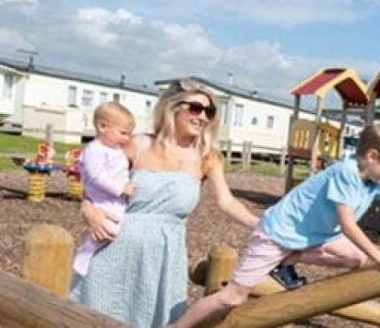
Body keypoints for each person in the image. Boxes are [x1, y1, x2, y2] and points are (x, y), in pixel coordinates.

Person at [171, 124, 380, 328]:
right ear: (373, 156)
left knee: (356, 258)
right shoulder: (346, 173)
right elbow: (348, 224)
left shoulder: (377, 183)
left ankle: (287, 260)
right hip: (277, 234)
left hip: (313, 237)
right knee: (233, 296)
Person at [72, 79, 259, 328]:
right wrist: (88, 209)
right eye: (195, 108)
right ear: (173, 108)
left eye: (209, 111)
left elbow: (226, 201)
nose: (203, 117)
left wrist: (261, 224)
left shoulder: (209, 158)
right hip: (114, 248)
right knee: (97, 316)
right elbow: (94, 181)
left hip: (164, 258)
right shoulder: (137, 144)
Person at [72, 102, 137, 277]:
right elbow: (96, 176)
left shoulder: (114, 149)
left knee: (116, 228)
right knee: (110, 229)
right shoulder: (95, 150)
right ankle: (83, 256)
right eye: (123, 133)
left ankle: (89, 256)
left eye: (129, 134)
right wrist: (121, 188)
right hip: (103, 198)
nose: (127, 139)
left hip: (113, 198)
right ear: (102, 126)